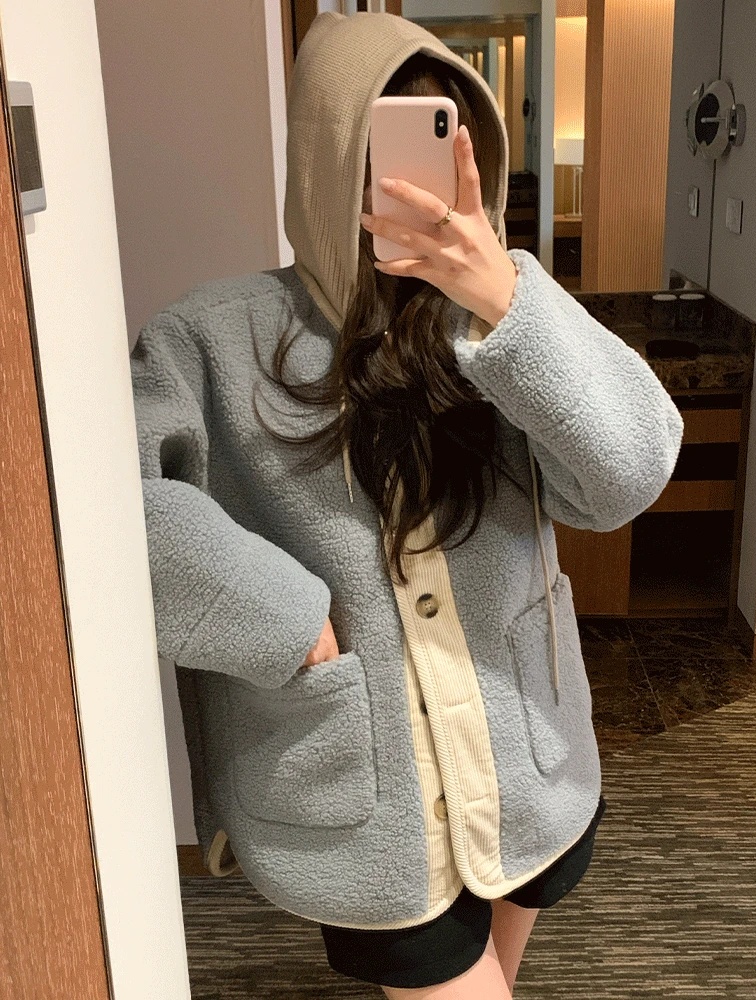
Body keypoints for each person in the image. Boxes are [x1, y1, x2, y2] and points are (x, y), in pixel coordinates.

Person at [129, 11, 684, 998]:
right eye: (383, 147)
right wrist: (285, 617)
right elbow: (111, 509)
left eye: (445, 141)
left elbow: (630, 470)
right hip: (362, 789)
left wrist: (502, 298)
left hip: (524, 761)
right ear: (329, 157)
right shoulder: (210, 336)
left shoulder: (505, 313)